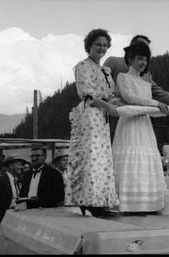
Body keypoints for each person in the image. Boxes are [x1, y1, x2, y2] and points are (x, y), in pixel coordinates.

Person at [64, 28, 120, 217]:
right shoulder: (83, 66)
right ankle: (88, 200)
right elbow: (87, 95)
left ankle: (98, 201)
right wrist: (107, 106)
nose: (102, 48)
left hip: (102, 117)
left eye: (105, 45)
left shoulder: (104, 70)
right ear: (89, 45)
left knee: (102, 159)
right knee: (90, 157)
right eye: (98, 45)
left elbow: (111, 94)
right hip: (90, 115)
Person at [112, 42, 169, 215]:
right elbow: (130, 98)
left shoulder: (146, 83)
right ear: (130, 60)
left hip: (144, 124)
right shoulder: (123, 77)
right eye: (139, 59)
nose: (143, 62)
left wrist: (162, 110)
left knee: (146, 159)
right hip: (129, 123)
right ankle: (128, 205)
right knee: (131, 158)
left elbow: (150, 109)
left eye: (145, 59)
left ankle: (147, 204)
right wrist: (156, 103)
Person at [104, 35, 169, 140]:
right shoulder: (113, 62)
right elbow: (100, 88)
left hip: (141, 124)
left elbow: (159, 93)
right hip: (113, 121)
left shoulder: (146, 74)